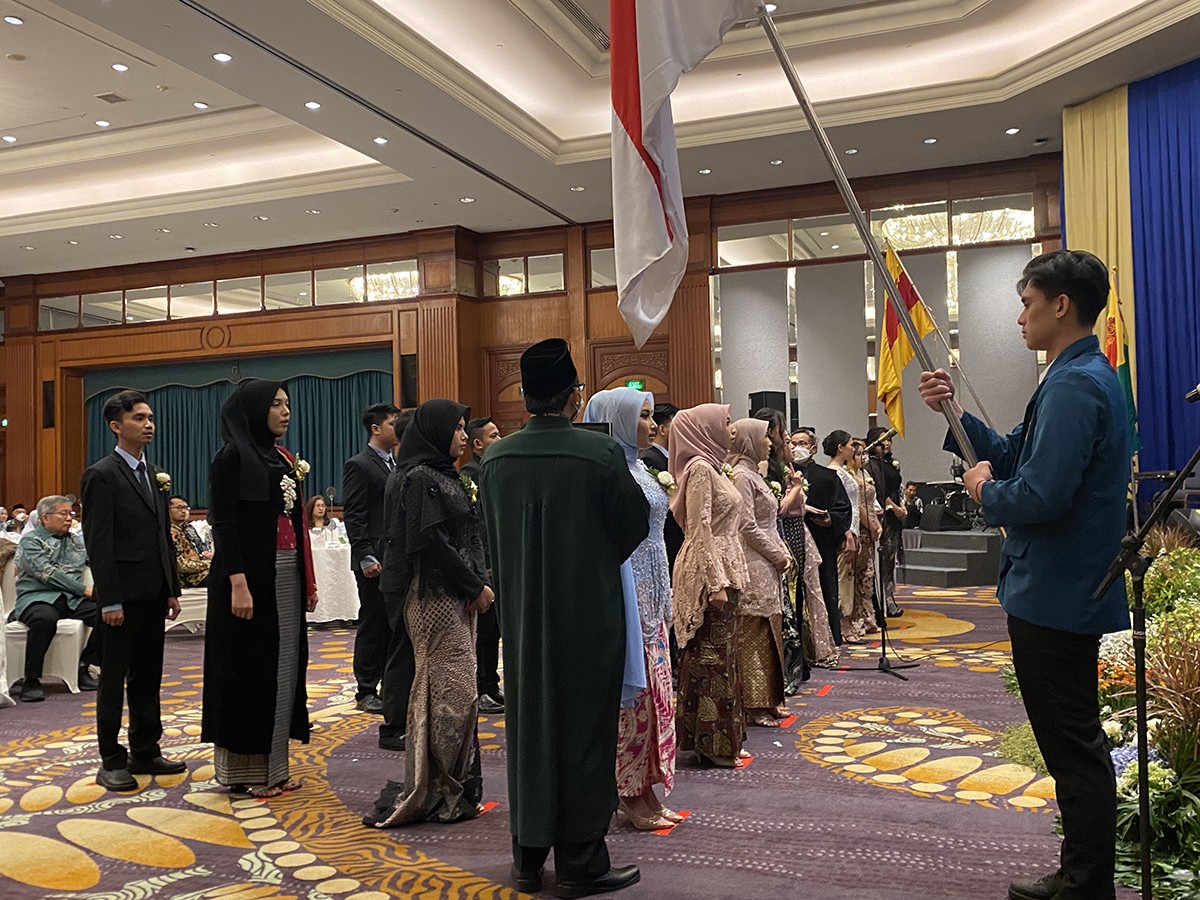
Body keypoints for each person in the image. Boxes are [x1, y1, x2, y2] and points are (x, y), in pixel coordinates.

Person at [918, 249, 1130, 900]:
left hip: (1057, 592)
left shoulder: (1074, 384)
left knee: (1071, 744)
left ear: (1060, 305)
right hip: (1064, 588)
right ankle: (1083, 871)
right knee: (1074, 740)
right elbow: (1012, 453)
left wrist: (984, 493)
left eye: (1028, 303)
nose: (1020, 317)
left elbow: (1038, 495)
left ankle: (1085, 880)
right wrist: (958, 420)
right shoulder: (1081, 374)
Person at [480, 338, 648, 898]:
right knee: (584, 732)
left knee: (528, 729)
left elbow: (491, 538)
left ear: (525, 396)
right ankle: (580, 860)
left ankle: (527, 859)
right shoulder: (597, 454)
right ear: (575, 396)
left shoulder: (495, 458)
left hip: (523, 620)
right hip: (587, 616)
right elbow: (634, 527)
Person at [364, 399, 491, 827]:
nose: (462, 435)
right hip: (433, 597)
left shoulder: (442, 474)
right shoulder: (420, 478)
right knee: (447, 693)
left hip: (456, 594)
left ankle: (451, 782)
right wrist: (474, 585)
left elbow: (468, 534)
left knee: (455, 693)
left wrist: (479, 581)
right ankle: (436, 787)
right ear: (436, 433)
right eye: (455, 428)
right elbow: (431, 543)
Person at [202, 380, 318, 798]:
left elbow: (296, 525)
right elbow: (225, 524)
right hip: (247, 579)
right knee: (248, 668)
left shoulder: (282, 458)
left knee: (284, 663)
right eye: (275, 404)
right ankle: (245, 770)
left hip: (283, 575)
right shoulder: (231, 457)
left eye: (287, 403)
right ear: (253, 410)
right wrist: (238, 582)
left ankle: (275, 767)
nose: (285, 411)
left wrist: (307, 579)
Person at [584, 388, 679, 832]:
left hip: (655, 591)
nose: (653, 425)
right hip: (628, 593)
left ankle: (647, 786)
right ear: (618, 422)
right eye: (643, 417)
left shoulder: (642, 467)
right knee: (634, 702)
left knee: (657, 697)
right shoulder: (609, 472)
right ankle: (627, 790)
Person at [80, 390, 184, 792]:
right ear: (115, 425)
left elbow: (162, 538)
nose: (148, 423)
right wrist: (109, 599)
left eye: (150, 417)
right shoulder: (102, 474)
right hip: (119, 599)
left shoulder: (155, 475)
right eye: (138, 418)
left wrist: (171, 588)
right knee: (114, 678)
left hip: (153, 593)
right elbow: (99, 542)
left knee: (148, 676)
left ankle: (146, 748)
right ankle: (110, 757)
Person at [670, 403, 750, 768]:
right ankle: (711, 742)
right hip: (709, 571)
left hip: (724, 565)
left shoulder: (715, 467)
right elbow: (699, 528)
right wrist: (715, 583)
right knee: (711, 660)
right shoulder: (700, 469)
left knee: (724, 657)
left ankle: (724, 738)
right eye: (727, 421)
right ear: (706, 428)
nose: (732, 428)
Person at [727, 418, 791, 727]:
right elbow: (747, 524)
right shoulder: (741, 476)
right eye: (765, 436)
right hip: (754, 561)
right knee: (755, 634)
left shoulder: (755, 474)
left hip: (768, 561)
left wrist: (780, 551)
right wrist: (775, 553)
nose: (770, 441)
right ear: (751, 440)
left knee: (771, 632)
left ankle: (771, 698)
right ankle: (754, 703)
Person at [342, 402, 401, 716]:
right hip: (374, 558)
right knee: (373, 623)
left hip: (394, 557)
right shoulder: (360, 464)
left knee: (393, 625)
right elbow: (354, 514)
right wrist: (364, 554)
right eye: (393, 423)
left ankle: (389, 685)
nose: (398, 428)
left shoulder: (396, 463)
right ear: (376, 428)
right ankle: (365, 689)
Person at [13, 495, 100, 701]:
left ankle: (83, 666)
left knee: (108, 613)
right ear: (45, 518)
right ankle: (31, 679)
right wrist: (86, 590)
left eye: (71, 514)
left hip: (71, 600)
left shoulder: (77, 541)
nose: (69, 518)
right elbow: (48, 574)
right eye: (63, 514)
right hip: (37, 598)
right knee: (44, 619)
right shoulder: (30, 541)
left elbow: (96, 561)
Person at [377, 408, 417, 752]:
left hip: (399, 574)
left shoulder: (404, 471)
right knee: (402, 651)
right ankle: (393, 725)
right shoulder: (406, 475)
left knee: (405, 650)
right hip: (400, 577)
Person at [791, 427, 852, 645]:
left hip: (821, 540)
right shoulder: (782, 474)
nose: (796, 448)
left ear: (813, 448)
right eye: (792, 443)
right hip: (790, 541)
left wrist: (829, 520)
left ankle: (827, 638)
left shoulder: (828, 477)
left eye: (802, 444)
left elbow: (843, 509)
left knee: (826, 589)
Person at [461, 415, 504, 714]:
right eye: (493, 436)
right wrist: (484, 565)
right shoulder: (470, 474)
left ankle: (491, 683)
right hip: (483, 562)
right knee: (485, 631)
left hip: (497, 560)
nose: (499, 440)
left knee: (495, 631)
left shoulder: (491, 470)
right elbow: (477, 527)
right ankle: (481, 686)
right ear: (478, 444)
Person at [824, 430, 863, 643]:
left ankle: (846, 621)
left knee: (848, 577)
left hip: (853, 527)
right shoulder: (835, 472)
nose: (852, 449)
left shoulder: (845, 471)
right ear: (840, 447)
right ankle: (842, 623)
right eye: (850, 445)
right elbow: (841, 506)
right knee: (843, 578)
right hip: (845, 529)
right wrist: (848, 533)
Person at [865, 426, 905, 617]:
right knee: (883, 558)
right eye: (882, 440)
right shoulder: (871, 465)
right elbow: (879, 492)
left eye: (889, 440)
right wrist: (894, 508)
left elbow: (898, 486)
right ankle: (884, 600)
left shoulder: (889, 463)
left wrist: (903, 505)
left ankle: (890, 596)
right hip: (884, 514)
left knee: (891, 559)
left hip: (896, 514)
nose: (887, 443)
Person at [168, 496, 211, 588]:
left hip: (200, 569)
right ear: (168, 510)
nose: (184, 511)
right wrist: (209, 564)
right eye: (179, 508)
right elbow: (181, 566)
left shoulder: (187, 529)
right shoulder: (169, 533)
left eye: (185, 508)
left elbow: (201, 550)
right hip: (190, 578)